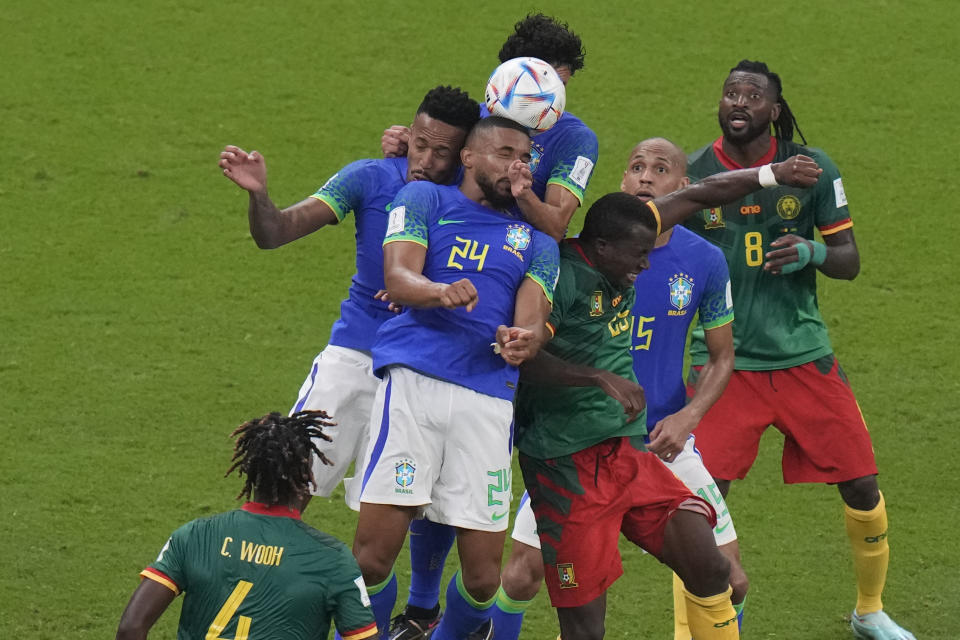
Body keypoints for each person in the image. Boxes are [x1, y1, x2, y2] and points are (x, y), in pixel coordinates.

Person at [492, 141, 811, 639]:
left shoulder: (637, 240)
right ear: (602, 248)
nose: (645, 267)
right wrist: (597, 377)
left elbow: (703, 194)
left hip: (629, 454)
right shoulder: (564, 279)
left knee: (714, 570)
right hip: (566, 469)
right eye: (638, 257)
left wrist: (771, 173)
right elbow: (528, 356)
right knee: (582, 626)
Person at [684, 59, 914, 640]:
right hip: (722, 366)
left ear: (775, 110)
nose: (738, 102)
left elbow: (850, 261)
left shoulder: (813, 172)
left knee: (862, 484)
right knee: (698, 506)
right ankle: (702, 625)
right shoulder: (693, 174)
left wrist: (813, 254)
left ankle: (870, 610)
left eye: (753, 95)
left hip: (802, 357)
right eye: (730, 92)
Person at [384, 15, 598, 638]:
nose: (555, 98)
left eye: (560, 84)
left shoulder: (575, 140)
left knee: (476, 489)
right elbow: (426, 184)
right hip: (448, 314)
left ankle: (463, 616)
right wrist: (403, 149)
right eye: (549, 81)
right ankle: (423, 607)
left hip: (526, 295)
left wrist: (520, 187)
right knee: (424, 484)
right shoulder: (477, 124)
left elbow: (556, 226)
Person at [218, 87, 480, 509]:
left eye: (441, 154)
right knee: (289, 486)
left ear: (465, 155)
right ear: (408, 134)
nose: (425, 163)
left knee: (395, 515)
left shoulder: (474, 203)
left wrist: (419, 292)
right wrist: (259, 195)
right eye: (420, 145)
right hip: (354, 353)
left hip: (420, 366)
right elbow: (275, 233)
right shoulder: (369, 177)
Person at [349, 116, 559, 640]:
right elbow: (397, 275)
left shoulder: (536, 240)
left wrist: (528, 338)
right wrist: (438, 291)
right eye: (504, 152)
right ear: (468, 157)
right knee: (373, 558)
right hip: (415, 385)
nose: (516, 166)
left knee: (485, 578)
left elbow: (534, 317)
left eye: (524, 158)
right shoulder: (424, 202)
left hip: (488, 400)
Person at [115, 411, 377, 640]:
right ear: (308, 476)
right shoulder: (332, 559)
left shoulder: (194, 536)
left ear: (249, 471)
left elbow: (130, 628)